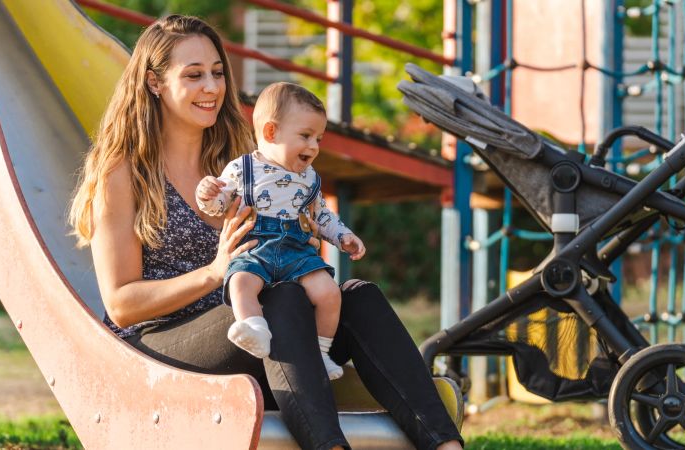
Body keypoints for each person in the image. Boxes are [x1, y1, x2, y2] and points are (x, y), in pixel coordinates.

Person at [68, 14, 463, 450]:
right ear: (154, 82)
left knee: (356, 296)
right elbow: (122, 305)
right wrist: (215, 273)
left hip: (258, 329)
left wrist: (300, 241)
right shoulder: (123, 173)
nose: (213, 88)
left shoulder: (243, 163)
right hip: (163, 345)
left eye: (218, 73)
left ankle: (444, 443)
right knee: (282, 298)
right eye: (194, 75)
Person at [196, 82, 365, 380]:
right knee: (240, 282)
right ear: (271, 132)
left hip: (296, 250)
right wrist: (207, 193)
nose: (313, 146)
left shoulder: (310, 178)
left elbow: (322, 214)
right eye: (305, 136)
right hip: (256, 246)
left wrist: (343, 237)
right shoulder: (242, 168)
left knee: (328, 294)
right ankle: (254, 328)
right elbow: (218, 205)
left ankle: (321, 352)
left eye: (319, 139)